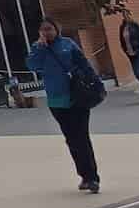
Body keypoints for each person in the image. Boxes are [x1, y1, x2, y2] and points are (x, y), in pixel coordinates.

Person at [27, 20, 101, 193]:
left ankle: (92, 177)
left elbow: (84, 64)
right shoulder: (37, 48)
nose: (47, 32)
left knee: (82, 137)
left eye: (49, 29)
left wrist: (96, 84)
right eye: (43, 30)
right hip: (56, 100)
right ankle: (84, 175)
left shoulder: (68, 44)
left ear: (57, 29)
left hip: (77, 97)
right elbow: (32, 65)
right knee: (71, 139)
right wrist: (40, 48)